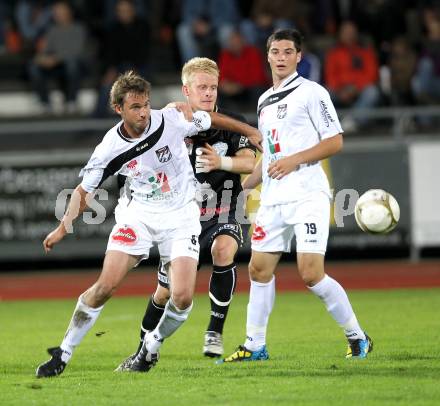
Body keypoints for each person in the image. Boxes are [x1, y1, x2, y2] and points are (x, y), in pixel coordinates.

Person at [35, 70, 262, 378]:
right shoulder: (109, 148)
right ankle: (63, 353)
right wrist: (63, 227)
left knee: (181, 298)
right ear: (119, 109)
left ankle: (150, 347)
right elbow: (84, 192)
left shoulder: (170, 119)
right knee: (105, 286)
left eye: (145, 105)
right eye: (135, 107)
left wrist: (251, 131)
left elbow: (210, 119)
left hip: (181, 215)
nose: (143, 113)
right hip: (137, 215)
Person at [218, 29, 372, 364]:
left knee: (310, 273)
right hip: (273, 199)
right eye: (276, 51)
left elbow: (335, 141)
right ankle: (255, 345)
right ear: (268, 56)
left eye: (289, 51)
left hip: (307, 194)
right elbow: (271, 157)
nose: (282, 57)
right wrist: (242, 188)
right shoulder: (263, 100)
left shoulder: (311, 92)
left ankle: (357, 336)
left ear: (299, 56)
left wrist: (294, 160)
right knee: (258, 270)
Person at [115, 57, 257, 371]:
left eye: (213, 87)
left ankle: (214, 332)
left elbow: (250, 162)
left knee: (224, 248)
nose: (208, 93)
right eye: (201, 87)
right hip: (183, 215)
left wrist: (223, 164)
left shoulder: (231, 122)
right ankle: (142, 351)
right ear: (186, 90)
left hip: (223, 206)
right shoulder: (171, 124)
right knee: (166, 292)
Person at [28, 1, 87, 115]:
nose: (57, 14)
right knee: (33, 67)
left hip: (75, 64)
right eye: (55, 12)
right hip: (56, 65)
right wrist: (41, 58)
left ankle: (71, 101)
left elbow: (77, 51)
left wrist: (56, 58)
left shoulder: (79, 28)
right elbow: (44, 50)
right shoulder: (52, 30)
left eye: (60, 11)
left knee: (72, 64)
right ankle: (45, 103)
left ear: (69, 12)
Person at [324, 20, 380, 132]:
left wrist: (356, 88)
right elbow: (330, 75)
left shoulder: (366, 51)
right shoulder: (333, 53)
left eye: (351, 32)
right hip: (339, 90)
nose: (349, 35)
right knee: (322, 93)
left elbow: (372, 74)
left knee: (372, 92)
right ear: (340, 34)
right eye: (346, 32)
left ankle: (352, 121)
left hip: (359, 90)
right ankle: (330, 124)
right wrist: (341, 90)